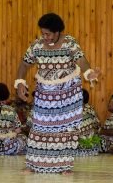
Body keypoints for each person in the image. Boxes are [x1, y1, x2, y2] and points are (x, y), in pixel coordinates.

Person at [15, 13, 100, 174]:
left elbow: (81, 60)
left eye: (47, 34)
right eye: (43, 33)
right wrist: (20, 82)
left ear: (57, 32)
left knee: (65, 129)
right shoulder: (37, 46)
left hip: (68, 94)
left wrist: (89, 73)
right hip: (44, 95)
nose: (44, 37)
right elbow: (24, 64)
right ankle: (34, 164)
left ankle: (64, 166)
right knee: (39, 126)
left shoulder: (69, 43)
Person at [75, 89, 100, 156]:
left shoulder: (83, 110)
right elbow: (98, 125)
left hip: (82, 142)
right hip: (92, 146)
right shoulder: (91, 109)